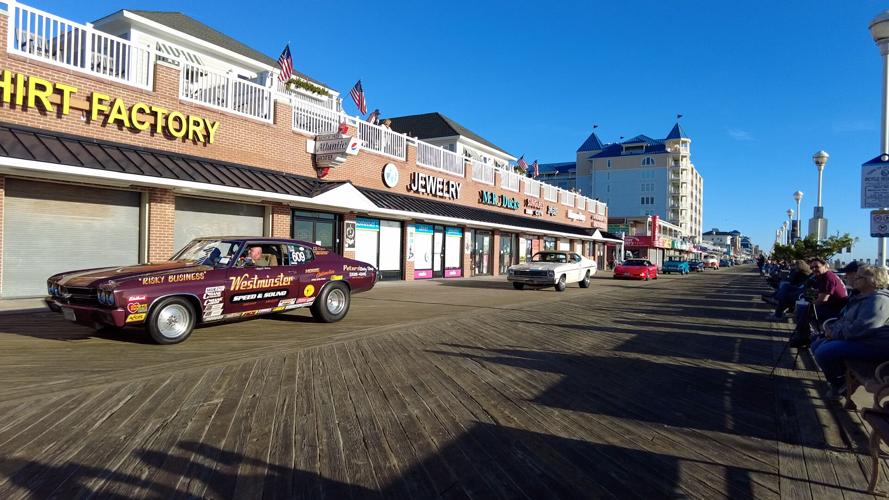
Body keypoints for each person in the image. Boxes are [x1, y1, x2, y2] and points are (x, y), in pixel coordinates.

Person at [810, 265, 889, 398]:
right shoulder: (861, 297)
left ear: (872, 280)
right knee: (815, 344)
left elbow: (863, 328)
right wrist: (832, 329)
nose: (855, 279)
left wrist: (834, 334)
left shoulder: (879, 301)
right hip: (861, 339)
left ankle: (839, 384)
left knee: (824, 351)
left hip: (874, 344)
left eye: (859, 277)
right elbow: (846, 320)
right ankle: (841, 378)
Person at [789, 258, 849, 347]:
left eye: (817, 267)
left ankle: (803, 337)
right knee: (802, 307)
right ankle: (804, 335)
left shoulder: (828, 278)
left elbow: (823, 299)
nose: (814, 269)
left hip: (836, 310)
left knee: (804, 309)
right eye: (812, 267)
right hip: (831, 306)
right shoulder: (823, 276)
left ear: (825, 266)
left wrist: (810, 305)